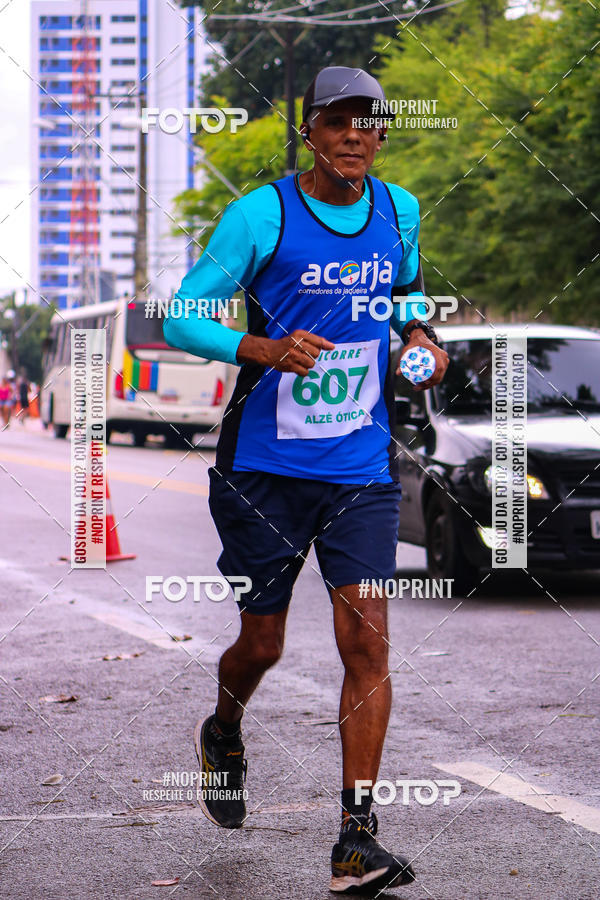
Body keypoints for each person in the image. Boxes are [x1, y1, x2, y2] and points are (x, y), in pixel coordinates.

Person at [164, 66, 449, 895]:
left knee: (366, 641)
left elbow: (404, 297)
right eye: (340, 121)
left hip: (360, 466)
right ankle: (224, 731)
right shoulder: (262, 215)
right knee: (265, 643)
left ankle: (356, 839)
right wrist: (260, 347)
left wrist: (419, 341)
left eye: (371, 123)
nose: (357, 135)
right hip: (264, 470)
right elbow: (180, 312)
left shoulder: (399, 210)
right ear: (311, 130)